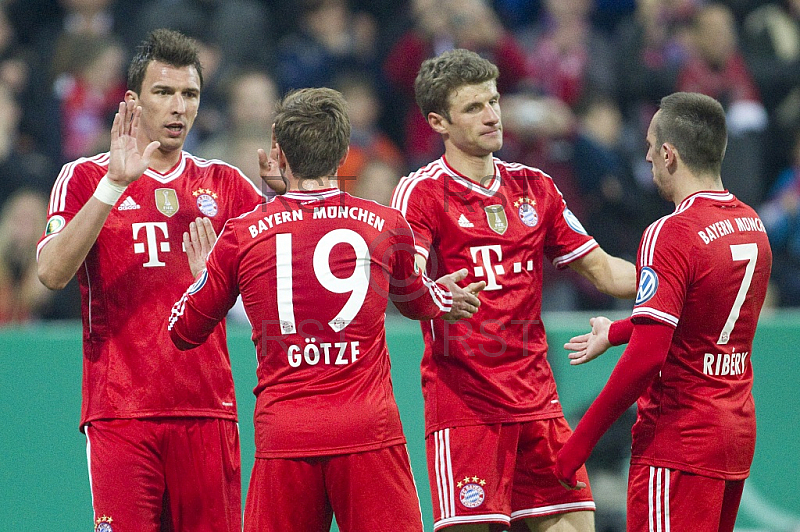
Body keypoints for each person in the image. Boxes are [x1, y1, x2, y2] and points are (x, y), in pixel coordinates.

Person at [167, 87, 484, 532]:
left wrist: (203, 273)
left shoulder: (242, 234)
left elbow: (183, 330)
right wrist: (446, 299)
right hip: (368, 432)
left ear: (277, 151)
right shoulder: (386, 224)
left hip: (285, 434)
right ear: (344, 152)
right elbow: (417, 302)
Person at [390, 48, 637, 532]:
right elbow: (406, 282)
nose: (492, 116)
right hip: (466, 407)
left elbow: (606, 273)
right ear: (439, 122)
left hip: (538, 402)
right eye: (474, 108)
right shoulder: (421, 192)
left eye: (495, 101)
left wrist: (678, 273)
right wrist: (433, 294)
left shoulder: (536, 187)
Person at [36, 29, 263, 532]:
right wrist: (114, 186)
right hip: (120, 412)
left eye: (190, 94)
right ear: (133, 101)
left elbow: (274, 286)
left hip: (208, 409)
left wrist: (217, 285)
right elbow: (51, 272)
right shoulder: (83, 179)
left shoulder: (227, 185)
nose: (178, 107)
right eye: (164, 93)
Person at [555, 92, 773, 532]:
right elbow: (696, 319)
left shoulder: (670, 232)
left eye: (652, 146)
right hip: (733, 434)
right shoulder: (752, 222)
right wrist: (615, 331)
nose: (648, 156)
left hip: (678, 442)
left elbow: (648, 357)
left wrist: (574, 449)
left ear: (670, 154)